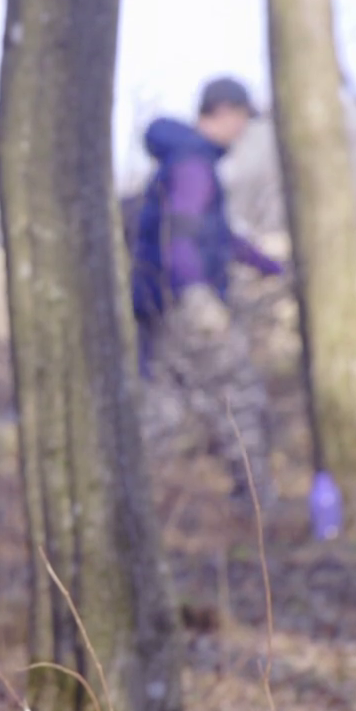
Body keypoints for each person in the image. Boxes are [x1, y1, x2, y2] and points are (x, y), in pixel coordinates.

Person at [130, 75, 286, 511]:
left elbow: (217, 236)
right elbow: (182, 234)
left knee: (162, 407)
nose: (243, 129)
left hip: (160, 305)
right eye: (242, 118)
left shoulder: (184, 159)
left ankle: (123, 499)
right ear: (223, 112)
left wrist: (270, 266)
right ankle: (258, 505)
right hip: (188, 306)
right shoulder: (194, 164)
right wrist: (196, 294)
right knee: (240, 395)